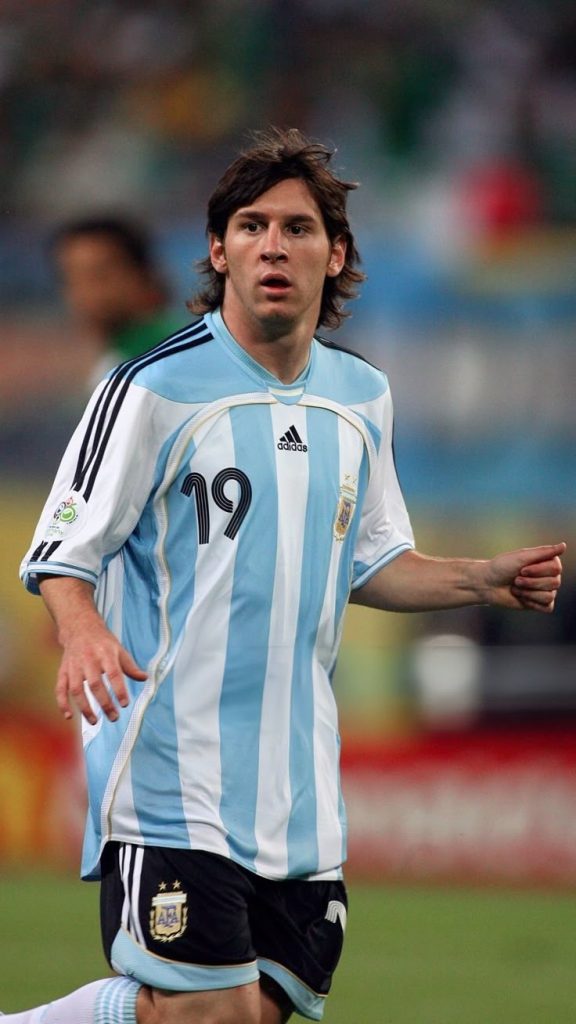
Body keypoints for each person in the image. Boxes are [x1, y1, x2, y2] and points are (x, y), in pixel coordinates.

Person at [13, 128, 564, 1024]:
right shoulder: (150, 389)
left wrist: (480, 579)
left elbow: (372, 560)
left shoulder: (362, 397)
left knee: (258, 1010)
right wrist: (82, 632)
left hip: (299, 790)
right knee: (213, 1013)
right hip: (170, 772)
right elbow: (61, 548)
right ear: (218, 251)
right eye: (252, 226)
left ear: (335, 254)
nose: (274, 246)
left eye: (298, 228)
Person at [50, 216, 184, 386]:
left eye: (99, 276)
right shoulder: (119, 356)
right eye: (71, 278)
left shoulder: (157, 358)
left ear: (143, 274)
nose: (84, 292)